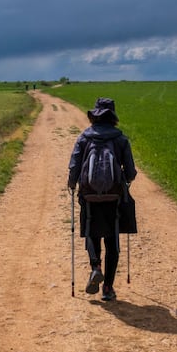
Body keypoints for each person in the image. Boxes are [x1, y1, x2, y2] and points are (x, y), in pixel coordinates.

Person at [68, 98, 137, 301]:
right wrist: (124, 180)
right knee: (111, 236)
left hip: (88, 194)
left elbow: (74, 166)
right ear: (113, 117)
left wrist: (72, 184)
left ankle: (95, 265)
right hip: (113, 195)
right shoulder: (120, 139)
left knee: (91, 230)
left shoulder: (84, 138)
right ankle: (108, 288)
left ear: (95, 116)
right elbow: (131, 172)